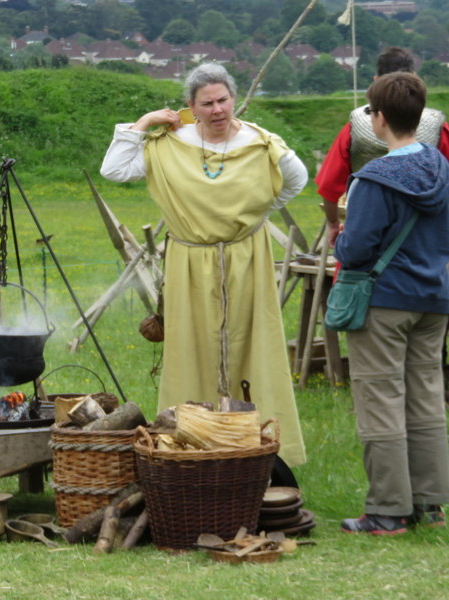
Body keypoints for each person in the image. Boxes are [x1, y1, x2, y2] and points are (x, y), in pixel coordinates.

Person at [100, 62, 307, 467]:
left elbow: (296, 180)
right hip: (190, 262)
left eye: (223, 100)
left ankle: (253, 449)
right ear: (191, 107)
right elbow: (115, 169)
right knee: (192, 350)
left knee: (251, 347)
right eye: (207, 103)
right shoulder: (168, 144)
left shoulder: (261, 143)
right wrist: (143, 122)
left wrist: (254, 216)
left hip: (247, 259)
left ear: (234, 98)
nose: (217, 110)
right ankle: (192, 446)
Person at [334, 72, 449, 535]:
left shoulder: (374, 178)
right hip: (436, 298)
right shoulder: (443, 168)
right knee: (425, 396)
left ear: (378, 119)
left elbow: (357, 249)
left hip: (383, 300)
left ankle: (387, 509)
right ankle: (431, 502)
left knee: (380, 397)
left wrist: (342, 242)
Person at [316, 46, 449, 247]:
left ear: (376, 80)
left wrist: (333, 223)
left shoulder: (354, 128)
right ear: (415, 79)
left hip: (366, 235)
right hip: (424, 243)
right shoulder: (438, 128)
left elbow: (328, 185)